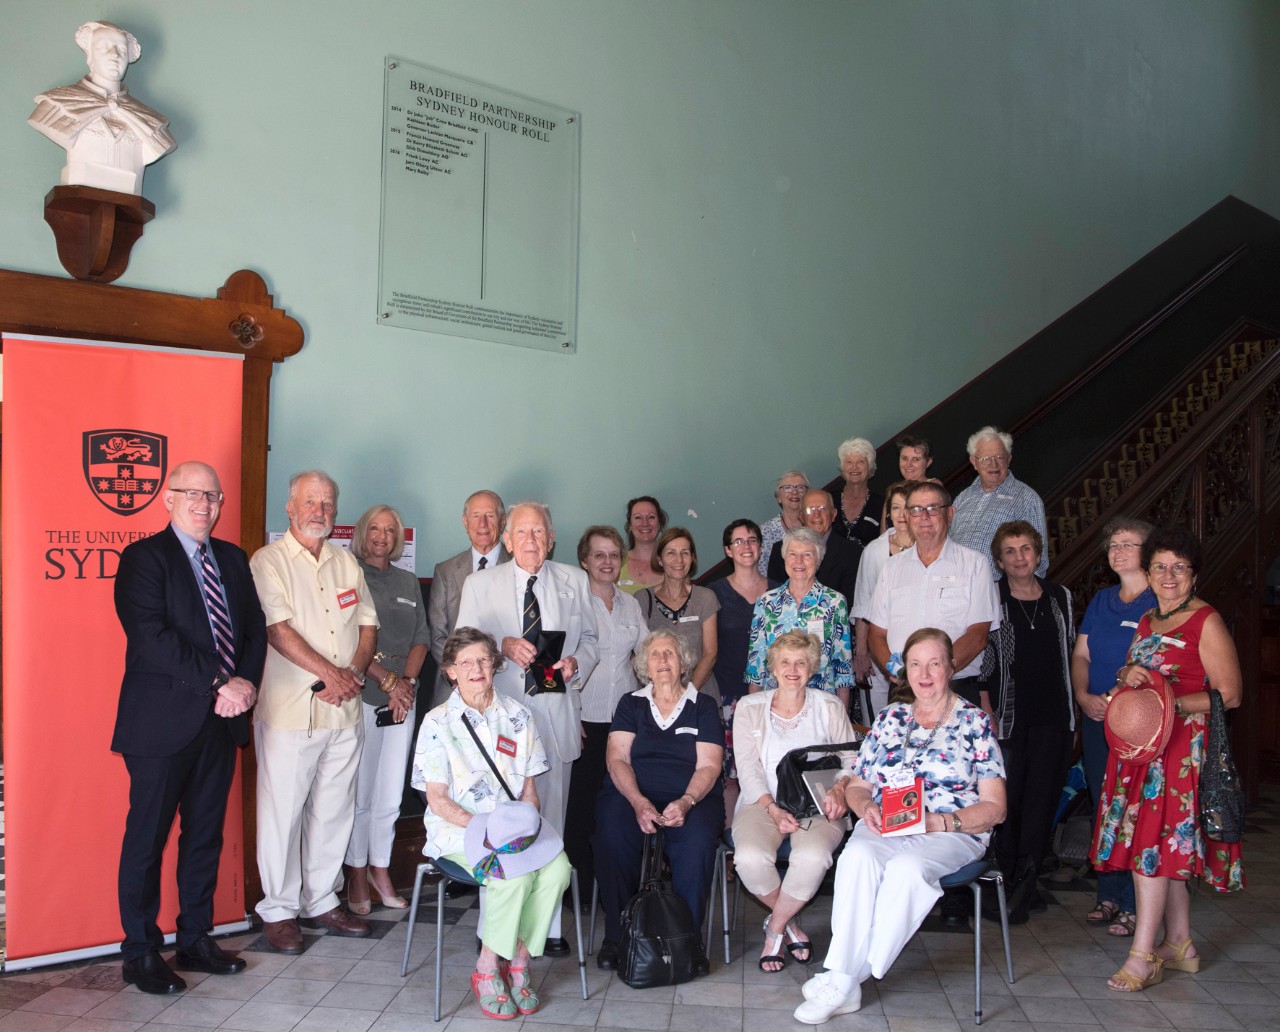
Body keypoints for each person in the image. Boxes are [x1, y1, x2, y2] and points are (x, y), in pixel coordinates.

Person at [793, 628, 1007, 1024]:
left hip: (953, 830)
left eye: (934, 663)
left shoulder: (974, 722)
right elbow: (857, 786)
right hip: (889, 823)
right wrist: (866, 807)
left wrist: (939, 821)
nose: (924, 674)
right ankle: (845, 980)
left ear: (951, 667)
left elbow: (996, 808)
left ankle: (845, 977)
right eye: (915, 664)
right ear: (904, 671)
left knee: (907, 871)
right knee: (856, 856)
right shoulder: (891, 718)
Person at [111, 461, 266, 994]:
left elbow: (252, 630)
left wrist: (242, 684)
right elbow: (150, 636)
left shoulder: (232, 558)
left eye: (213, 496)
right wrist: (222, 682)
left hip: (221, 725)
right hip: (161, 725)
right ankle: (139, 952)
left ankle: (195, 939)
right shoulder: (143, 558)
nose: (205, 504)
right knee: (147, 840)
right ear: (167, 499)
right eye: (192, 494)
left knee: (204, 837)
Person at [1092, 527, 1244, 992]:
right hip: (1141, 751)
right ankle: (1179, 944)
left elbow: (1230, 694)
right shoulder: (1148, 620)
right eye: (1160, 566)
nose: (1169, 575)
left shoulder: (1206, 620)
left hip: (1178, 753)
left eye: (1179, 567)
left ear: (1194, 575)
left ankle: (1142, 956)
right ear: (1149, 572)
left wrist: (1167, 700)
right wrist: (1125, 673)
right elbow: (1138, 673)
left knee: (1151, 851)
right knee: (1158, 847)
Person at [456, 501, 599, 953]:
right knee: (499, 826)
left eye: (539, 532)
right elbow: (462, 647)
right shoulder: (480, 584)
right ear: (506, 538)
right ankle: (496, 933)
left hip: (555, 719)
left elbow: (592, 640)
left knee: (550, 826)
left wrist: (578, 662)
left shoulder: (574, 581)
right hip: (498, 724)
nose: (532, 541)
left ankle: (547, 929)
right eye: (523, 532)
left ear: (551, 538)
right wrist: (499, 645)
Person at [411, 628, 571, 1020]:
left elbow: (529, 790)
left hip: (514, 829)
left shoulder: (518, 715)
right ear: (451, 672)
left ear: (495, 664)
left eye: (483, 659)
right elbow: (438, 800)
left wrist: (525, 825)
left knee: (558, 869)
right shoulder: (437, 722)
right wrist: (486, 829)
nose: (476, 669)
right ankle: (486, 968)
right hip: (460, 831)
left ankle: (517, 960)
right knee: (511, 876)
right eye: (465, 662)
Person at [250, 471, 379, 953]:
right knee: (282, 812)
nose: (319, 510)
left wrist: (350, 675)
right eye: (310, 501)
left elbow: (368, 626)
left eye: (327, 502)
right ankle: (279, 909)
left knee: (334, 809)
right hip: (291, 711)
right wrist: (331, 673)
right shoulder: (268, 561)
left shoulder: (348, 563)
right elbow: (277, 630)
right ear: (290, 507)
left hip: (343, 710)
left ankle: (322, 899)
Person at [593, 630, 724, 973]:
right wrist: (637, 802)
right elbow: (617, 759)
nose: (663, 660)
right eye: (655, 655)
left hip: (692, 796)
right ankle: (617, 936)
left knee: (696, 844)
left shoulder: (704, 706)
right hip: (633, 793)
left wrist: (687, 801)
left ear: (683, 663)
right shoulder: (630, 703)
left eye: (670, 653)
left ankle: (687, 940)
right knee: (612, 834)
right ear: (645, 667)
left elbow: (710, 765)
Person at [733, 631, 854, 973]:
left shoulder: (829, 706)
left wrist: (841, 789)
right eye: (785, 661)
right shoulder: (749, 707)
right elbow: (748, 768)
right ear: (772, 667)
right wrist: (772, 807)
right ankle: (792, 926)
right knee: (750, 858)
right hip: (762, 802)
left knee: (812, 856)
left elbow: (852, 761)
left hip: (819, 806)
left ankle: (774, 929)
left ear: (812, 668)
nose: (792, 669)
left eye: (801, 662)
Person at [976, 521, 1074, 923]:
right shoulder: (991, 598)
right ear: (999, 560)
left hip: (1054, 714)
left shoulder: (1060, 597)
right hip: (1008, 717)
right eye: (1011, 551)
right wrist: (985, 707)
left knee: (1042, 799)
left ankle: (1028, 884)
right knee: (1008, 800)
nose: (1020, 557)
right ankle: (1004, 881)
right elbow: (983, 659)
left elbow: (1070, 653)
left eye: (1027, 548)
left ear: (1039, 554)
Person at [1070, 516, 1153, 937]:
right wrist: (1084, 697)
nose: (1117, 551)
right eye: (1113, 544)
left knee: (1138, 808)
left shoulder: (1162, 600)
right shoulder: (1102, 599)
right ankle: (1109, 892)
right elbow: (1081, 655)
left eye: (1128, 544)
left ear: (1148, 552)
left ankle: (1140, 903)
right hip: (1097, 717)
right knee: (1105, 803)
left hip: (1140, 723)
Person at [343, 504, 428, 914]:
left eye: (390, 530)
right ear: (363, 533)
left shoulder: (408, 581)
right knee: (360, 794)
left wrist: (407, 686)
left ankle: (381, 868)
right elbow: (347, 640)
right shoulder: (347, 573)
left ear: (398, 539)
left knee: (391, 794)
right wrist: (389, 683)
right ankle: (356, 873)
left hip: (402, 700)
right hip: (363, 694)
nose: (382, 536)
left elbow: (421, 638)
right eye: (375, 528)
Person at [867, 480, 1000, 712]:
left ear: (950, 513)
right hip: (903, 692)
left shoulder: (975, 564)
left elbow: (978, 635)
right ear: (907, 517)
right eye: (916, 510)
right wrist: (898, 671)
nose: (924, 517)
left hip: (955, 689)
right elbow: (876, 634)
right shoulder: (891, 568)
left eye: (933, 509)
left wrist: (934, 674)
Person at [564, 525, 645, 893]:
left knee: (616, 805)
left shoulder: (630, 603)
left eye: (614, 554)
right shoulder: (571, 604)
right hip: (583, 718)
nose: (607, 562)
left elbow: (644, 656)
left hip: (623, 721)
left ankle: (611, 885)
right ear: (584, 560)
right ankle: (577, 889)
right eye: (599, 555)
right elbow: (560, 662)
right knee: (580, 806)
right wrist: (568, 710)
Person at [28, 21, 176, 195]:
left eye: (121, 49)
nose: (114, 55)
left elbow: (161, 144)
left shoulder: (147, 117)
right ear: (89, 56)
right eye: (104, 47)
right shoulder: (58, 103)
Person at [710, 519, 778, 820]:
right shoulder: (714, 594)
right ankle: (730, 848)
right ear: (728, 550)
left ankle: (767, 835)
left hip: (773, 698)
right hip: (729, 697)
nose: (746, 546)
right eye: (738, 541)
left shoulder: (779, 591)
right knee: (733, 776)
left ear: (761, 547)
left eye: (752, 540)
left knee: (768, 772)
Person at [747, 528, 854, 709]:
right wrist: (755, 715)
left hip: (822, 705)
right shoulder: (766, 603)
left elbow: (843, 666)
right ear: (784, 558)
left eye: (807, 555)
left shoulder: (835, 602)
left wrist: (842, 716)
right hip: (775, 704)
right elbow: (755, 665)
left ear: (818, 559)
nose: (799, 562)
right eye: (792, 554)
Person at [427, 490, 510, 710]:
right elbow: (437, 634)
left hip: (508, 686)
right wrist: (460, 675)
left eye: (490, 516)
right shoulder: (445, 571)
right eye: (475, 516)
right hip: (453, 687)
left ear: (502, 522)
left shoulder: (519, 568)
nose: (482, 523)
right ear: (465, 522)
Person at [850, 480, 918, 717]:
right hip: (879, 646)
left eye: (908, 507)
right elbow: (863, 603)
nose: (901, 514)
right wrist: (861, 652)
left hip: (916, 646)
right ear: (888, 512)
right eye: (896, 507)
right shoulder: (873, 550)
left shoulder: (929, 549)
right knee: (878, 717)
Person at [949, 426, 1049, 579]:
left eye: (999, 457)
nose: (993, 464)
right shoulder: (962, 497)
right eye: (985, 459)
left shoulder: (1027, 498)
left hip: (1000, 591)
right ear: (974, 462)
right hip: (956, 586)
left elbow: (1038, 559)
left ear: (1009, 459)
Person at [637, 527, 720, 700]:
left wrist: (685, 695)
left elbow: (710, 653)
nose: (679, 560)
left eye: (685, 553)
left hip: (700, 695)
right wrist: (665, 695)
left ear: (692, 558)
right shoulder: (642, 600)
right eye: (671, 553)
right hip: (657, 699)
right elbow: (640, 655)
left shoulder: (705, 597)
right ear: (660, 559)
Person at [766, 488, 861, 616]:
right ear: (801, 516)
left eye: (822, 509)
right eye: (810, 509)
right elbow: (775, 597)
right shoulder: (780, 550)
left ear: (833, 514)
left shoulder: (852, 552)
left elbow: (849, 604)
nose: (816, 515)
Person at [831, 438, 883, 548]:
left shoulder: (882, 504)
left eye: (861, 462)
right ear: (843, 467)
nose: (854, 467)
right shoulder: (830, 500)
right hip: (833, 563)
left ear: (869, 467)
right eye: (849, 462)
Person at [758, 470, 810, 576]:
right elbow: (762, 573)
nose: (794, 492)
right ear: (778, 497)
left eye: (800, 487)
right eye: (787, 488)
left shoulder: (816, 526)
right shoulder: (765, 532)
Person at [618, 496, 667, 594]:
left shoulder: (674, 562)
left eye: (651, 517)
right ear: (630, 525)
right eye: (638, 517)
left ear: (659, 524)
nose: (645, 523)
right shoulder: (617, 563)